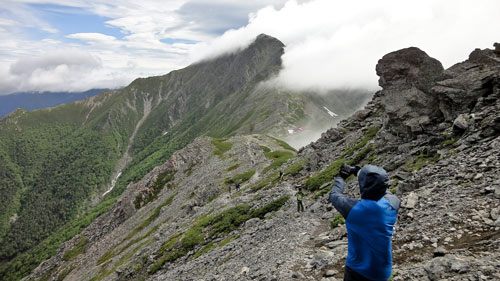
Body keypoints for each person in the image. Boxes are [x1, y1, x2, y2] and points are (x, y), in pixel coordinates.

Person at [329, 164, 400, 281]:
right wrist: (362, 175)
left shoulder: (353, 209)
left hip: (356, 271)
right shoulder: (393, 204)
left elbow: (334, 195)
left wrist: (341, 177)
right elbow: (385, 191)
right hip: (383, 271)